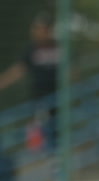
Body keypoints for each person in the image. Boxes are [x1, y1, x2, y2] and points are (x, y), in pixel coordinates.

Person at [0, 13, 59, 152]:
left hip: (58, 96)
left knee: (56, 128)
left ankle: (53, 152)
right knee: (38, 126)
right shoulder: (31, 49)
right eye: (37, 28)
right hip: (39, 98)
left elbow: (72, 71)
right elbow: (19, 69)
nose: (39, 32)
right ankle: (39, 153)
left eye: (43, 29)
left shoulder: (59, 47)